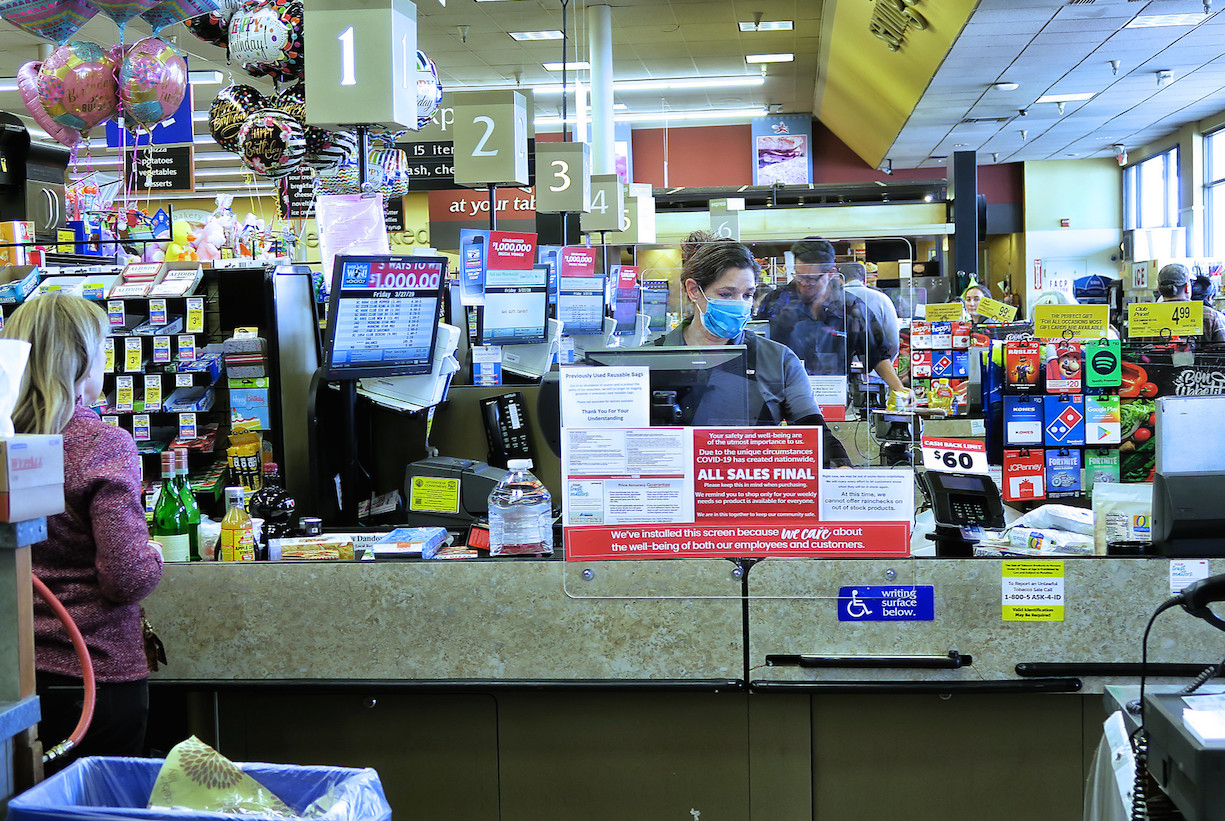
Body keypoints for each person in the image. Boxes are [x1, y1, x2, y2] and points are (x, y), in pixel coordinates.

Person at [1, 293, 164, 768]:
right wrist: (151, 553)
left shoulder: (8, 443)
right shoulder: (100, 444)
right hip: (94, 677)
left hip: (13, 680)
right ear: (80, 363)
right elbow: (127, 576)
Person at [658, 239, 851, 467]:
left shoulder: (778, 360)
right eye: (727, 294)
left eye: (747, 295)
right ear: (693, 291)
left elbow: (814, 430)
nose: (740, 304)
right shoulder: (649, 361)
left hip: (753, 491)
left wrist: (841, 467)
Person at [756, 237, 873, 379]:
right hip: (783, 389)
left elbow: (875, 353)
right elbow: (758, 346)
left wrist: (898, 387)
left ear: (830, 273)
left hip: (833, 392)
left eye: (812, 278)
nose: (804, 283)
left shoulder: (850, 305)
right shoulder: (776, 301)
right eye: (799, 276)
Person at [838, 261, 905, 397]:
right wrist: (882, 366)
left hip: (840, 376)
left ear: (840, 279)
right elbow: (893, 342)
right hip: (876, 373)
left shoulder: (833, 299)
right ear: (864, 279)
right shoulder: (882, 299)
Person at [1157, 262, 1225, 344]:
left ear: (1159, 289)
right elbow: (1221, 349)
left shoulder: (1147, 315)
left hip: (1154, 357)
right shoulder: (1210, 315)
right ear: (1187, 288)